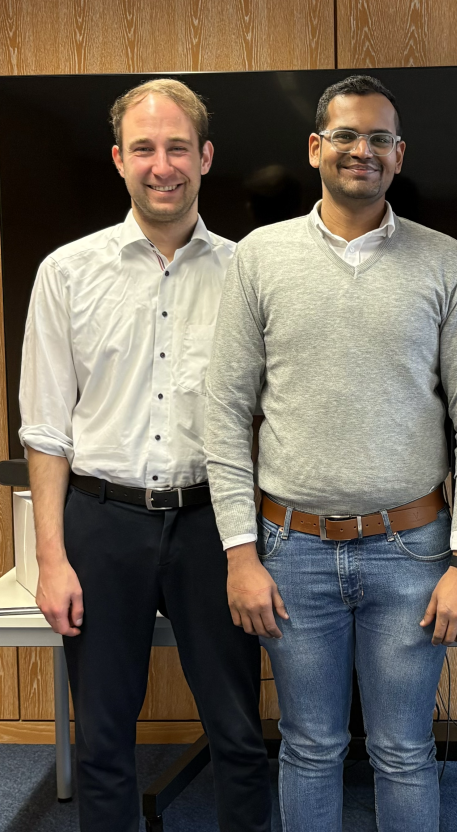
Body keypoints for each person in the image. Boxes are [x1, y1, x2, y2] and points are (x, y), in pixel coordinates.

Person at [203, 74, 457, 831]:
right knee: (309, 747)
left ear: (399, 155)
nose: (360, 150)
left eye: (378, 138)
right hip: (290, 551)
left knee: (404, 751)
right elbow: (226, 410)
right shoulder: (260, 257)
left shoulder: (446, 261)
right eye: (344, 135)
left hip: (414, 552)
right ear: (315, 148)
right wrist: (240, 554)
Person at [20, 79, 271, 832]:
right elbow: (46, 429)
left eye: (177, 148)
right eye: (144, 149)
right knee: (102, 740)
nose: (163, 166)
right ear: (118, 160)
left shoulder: (249, 273)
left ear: (206, 157)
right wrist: (52, 559)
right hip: (102, 523)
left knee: (238, 732)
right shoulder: (66, 272)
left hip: (214, 526)